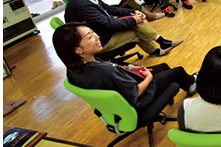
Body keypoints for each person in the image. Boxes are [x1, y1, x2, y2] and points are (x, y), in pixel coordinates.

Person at [54, 22, 195, 124]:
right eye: (89, 37)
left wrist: (129, 68)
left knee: (164, 66)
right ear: (77, 49)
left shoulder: (75, 69)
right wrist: (149, 78)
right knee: (177, 72)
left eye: (93, 32)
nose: (97, 37)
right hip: (137, 102)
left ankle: (186, 81)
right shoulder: (104, 72)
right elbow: (134, 92)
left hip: (117, 105)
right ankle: (192, 83)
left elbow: (111, 68)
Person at [63, 0, 184, 57]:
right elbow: (108, 23)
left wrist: (132, 12)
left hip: (103, 31)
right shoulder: (81, 5)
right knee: (136, 29)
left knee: (135, 21)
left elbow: (108, 9)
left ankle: (160, 46)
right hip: (99, 41)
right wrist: (133, 19)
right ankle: (160, 46)